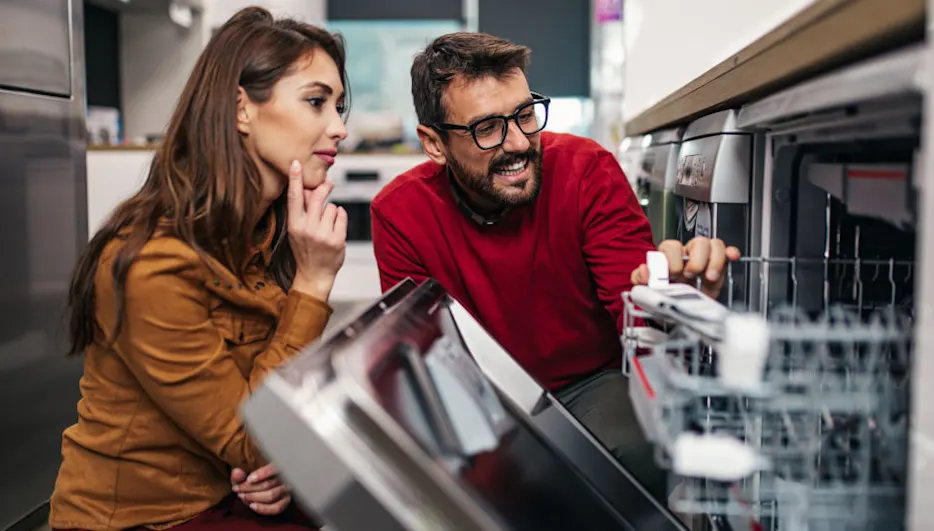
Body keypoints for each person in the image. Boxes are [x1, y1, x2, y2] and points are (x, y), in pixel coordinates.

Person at [370, 32, 740, 500]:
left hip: (587, 384)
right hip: (479, 395)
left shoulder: (586, 170)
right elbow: (421, 357)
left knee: (642, 445)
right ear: (434, 143)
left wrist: (673, 296)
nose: (520, 143)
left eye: (525, 115)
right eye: (487, 128)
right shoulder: (400, 212)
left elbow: (636, 308)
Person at [49, 7, 349, 530]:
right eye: (316, 102)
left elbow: (270, 415)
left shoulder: (267, 233)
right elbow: (253, 437)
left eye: (339, 106)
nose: (340, 128)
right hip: (145, 519)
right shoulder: (152, 262)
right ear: (241, 109)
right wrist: (314, 282)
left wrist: (279, 460)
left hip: (226, 490)